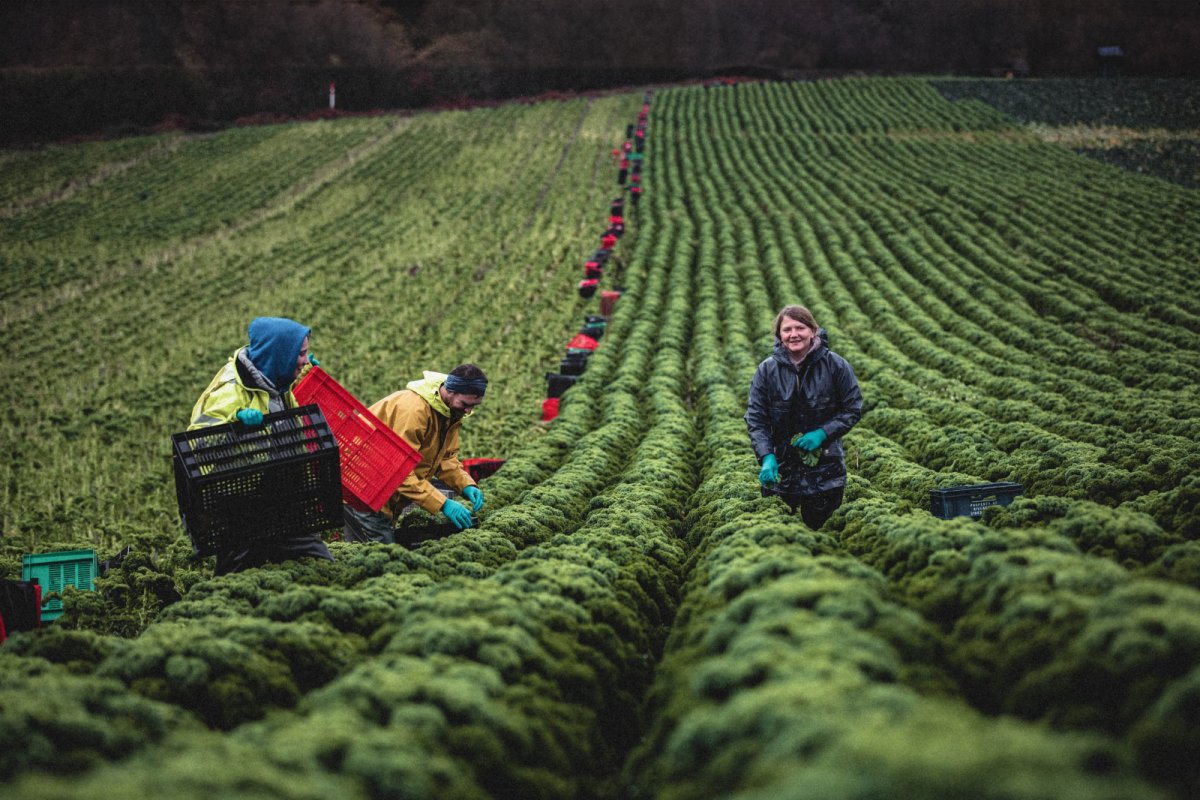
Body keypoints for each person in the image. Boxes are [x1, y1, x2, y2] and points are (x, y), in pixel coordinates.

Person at [188, 316, 334, 573]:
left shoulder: (275, 378)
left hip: (281, 502)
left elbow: (281, 392)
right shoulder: (231, 392)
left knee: (320, 564)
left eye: (306, 353)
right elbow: (198, 446)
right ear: (279, 356)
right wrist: (236, 425)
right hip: (238, 507)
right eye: (300, 355)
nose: (304, 360)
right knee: (236, 577)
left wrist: (306, 370)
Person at [745, 305, 863, 528]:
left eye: (800, 327)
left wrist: (822, 433)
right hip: (781, 471)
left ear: (813, 331)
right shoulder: (766, 371)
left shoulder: (835, 365)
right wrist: (766, 457)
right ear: (779, 335)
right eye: (787, 329)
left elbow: (853, 408)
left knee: (823, 532)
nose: (794, 334)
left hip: (826, 471)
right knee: (779, 536)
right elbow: (756, 418)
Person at [342, 364, 488, 544]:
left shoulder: (449, 412)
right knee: (381, 555)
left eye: (474, 406)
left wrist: (466, 484)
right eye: (465, 404)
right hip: (364, 485)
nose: (468, 411)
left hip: (382, 489)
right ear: (449, 391)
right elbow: (397, 471)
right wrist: (443, 503)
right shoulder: (414, 411)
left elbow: (446, 459)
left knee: (370, 554)